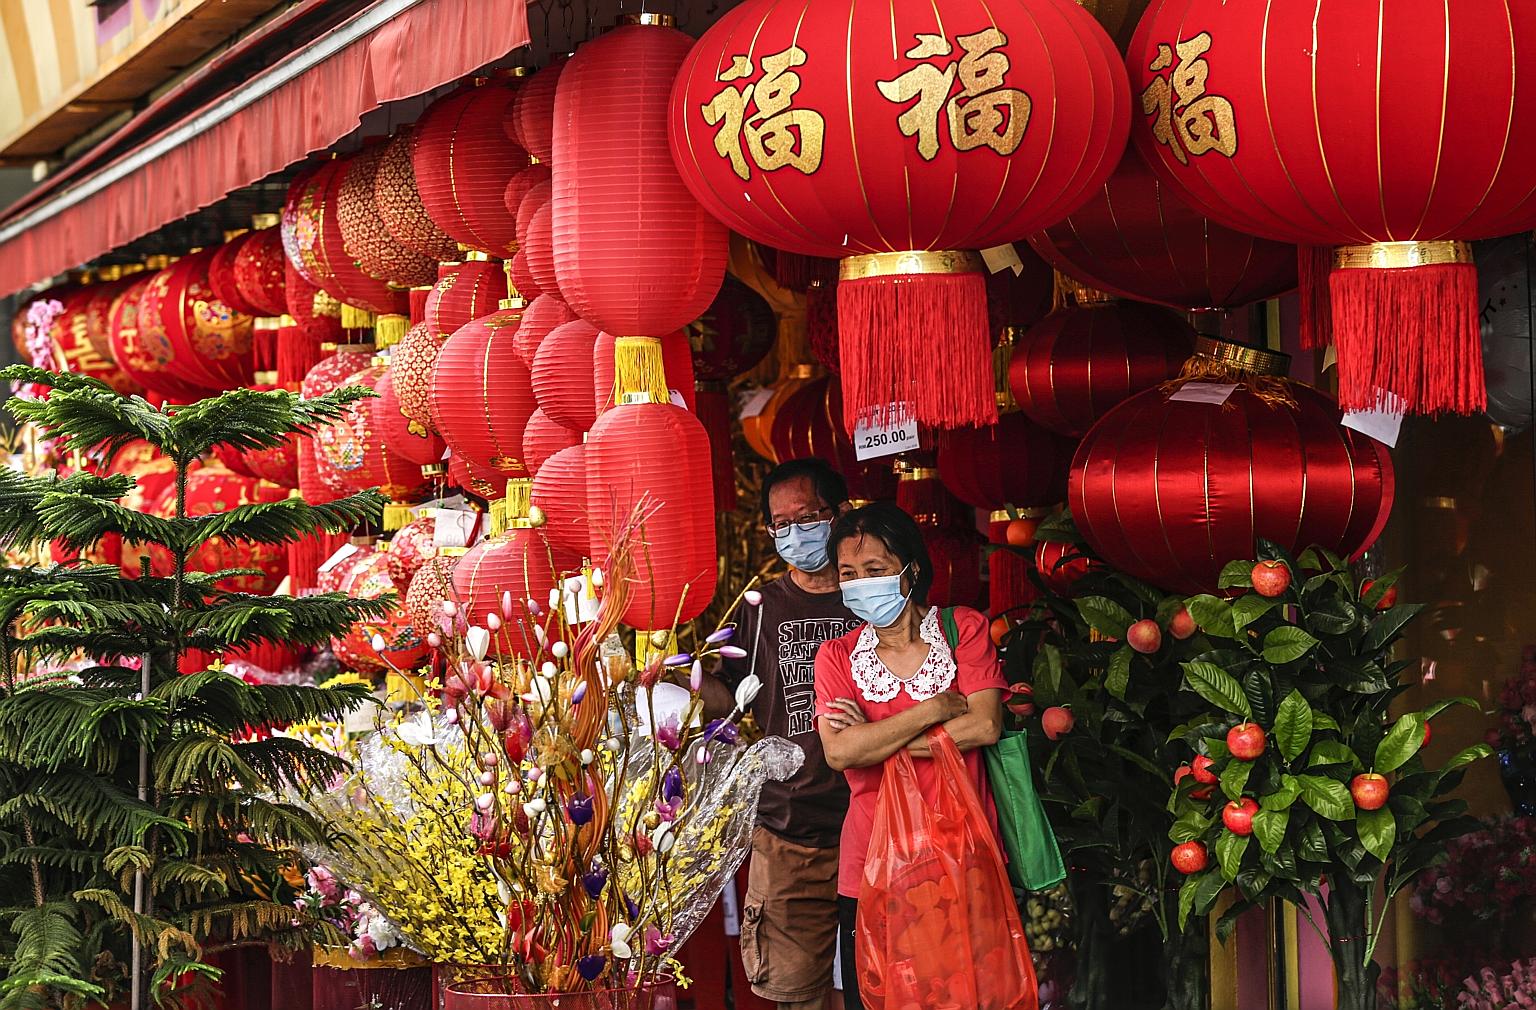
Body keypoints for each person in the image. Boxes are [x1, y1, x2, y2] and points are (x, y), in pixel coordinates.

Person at [812, 501, 1008, 1010]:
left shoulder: (962, 628)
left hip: (963, 856)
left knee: (971, 996)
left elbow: (985, 724)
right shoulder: (835, 657)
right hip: (872, 865)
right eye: (849, 574)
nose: (860, 584)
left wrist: (876, 740)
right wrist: (935, 711)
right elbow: (839, 752)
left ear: (911, 570)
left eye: (875, 570)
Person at [707, 458, 863, 1010]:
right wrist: (684, 679)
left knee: (885, 987)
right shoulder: (759, 609)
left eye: (808, 517)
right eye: (781, 525)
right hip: (791, 830)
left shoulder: (874, 596)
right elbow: (726, 699)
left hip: (880, 823)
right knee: (799, 995)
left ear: (841, 514)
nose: (794, 534)